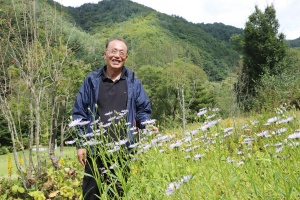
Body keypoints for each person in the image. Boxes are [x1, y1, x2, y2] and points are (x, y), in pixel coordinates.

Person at [72, 38, 152, 199]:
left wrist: (146, 124)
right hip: (96, 151)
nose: (117, 56)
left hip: (123, 151)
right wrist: (81, 144)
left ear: (126, 57)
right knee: (91, 195)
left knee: (119, 194)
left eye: (121, 53)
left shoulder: (133, 82)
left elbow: (142, 109)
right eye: (113, 51)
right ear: (105, 54)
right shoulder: (92, 81)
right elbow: (79, 113)